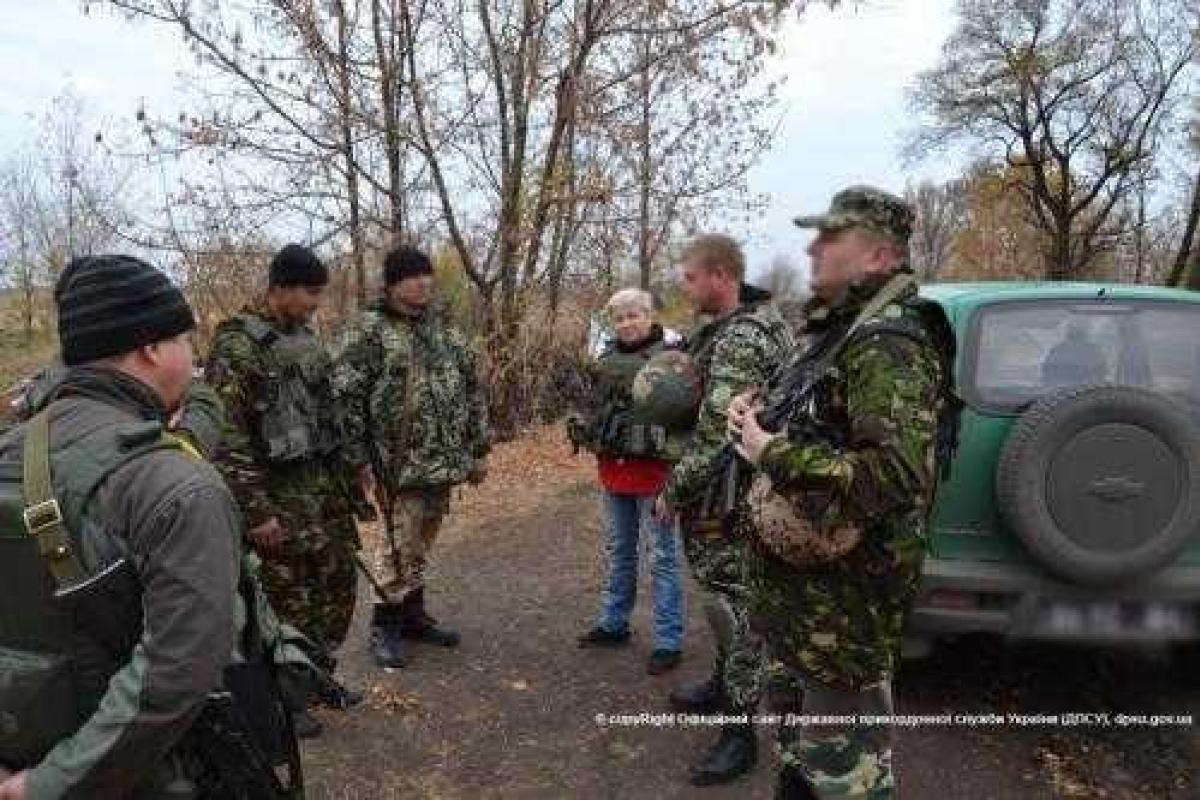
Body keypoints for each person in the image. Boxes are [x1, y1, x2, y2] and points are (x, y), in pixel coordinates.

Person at [0, 254, 300, 799]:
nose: (193, 353)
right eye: (185, 338)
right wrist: (47, 785)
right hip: (144, 775)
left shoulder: (10, 450)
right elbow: (176, 672)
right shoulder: (174, 482)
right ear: (151, 348)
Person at [728, 186, 956, 799]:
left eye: (831, 238)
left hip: (844, 609)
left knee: (846, 775)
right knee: (802, 764)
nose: (812, 248)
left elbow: (897, 472)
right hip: (800, 601)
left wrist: (771, 451)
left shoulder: (889, 340)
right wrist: (759, 410)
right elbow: (820, 419)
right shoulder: (838, 331)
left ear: (879, 257)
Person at [205, 243, 364, 737]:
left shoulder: (305, 339)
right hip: (277, 503)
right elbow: (226, 438)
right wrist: (256, 512)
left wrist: (353, 472)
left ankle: (318, 678)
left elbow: (327, 415)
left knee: (335, 590)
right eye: (310, 292)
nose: (318, 303)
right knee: (284, 604)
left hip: (324, 496)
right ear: (280, 289)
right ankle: (283, 701)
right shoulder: (237, 347)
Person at [655, 234, 794, 786]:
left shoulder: (741, 338)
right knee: (723, 602)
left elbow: (719, 432)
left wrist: (674, 490)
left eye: (689, 277)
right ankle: (721, 685)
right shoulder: (747, 324)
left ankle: (740, 735)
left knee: (734, 612)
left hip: (730, 497)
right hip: (735, 493)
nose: (683, 286)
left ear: (719, 274)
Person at [332, 245, 490, 668]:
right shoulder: (369, 331)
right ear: (392, 283)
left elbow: (472, 389)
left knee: (421, 544)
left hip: (443, 462)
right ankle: (385, 626)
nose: (423, 282)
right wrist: (358, 460)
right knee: (397, 547)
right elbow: (345, 399)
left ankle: (413, 616)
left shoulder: (443, 331)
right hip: (396, 465)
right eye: (412, 276)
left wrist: (478, 449)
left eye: (427, 275)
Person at [570, 288, 685, 675]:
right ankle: (614, 623)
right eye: (619, 318)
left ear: (651, 315)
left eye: (634, 315)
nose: (627, 323)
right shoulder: (604, 360)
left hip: (655, 478)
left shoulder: (675, 360)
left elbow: (686, 422)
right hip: (614, 473)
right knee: (619, 551)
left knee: (663, 558)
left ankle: (669, 640)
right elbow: (593, 408)